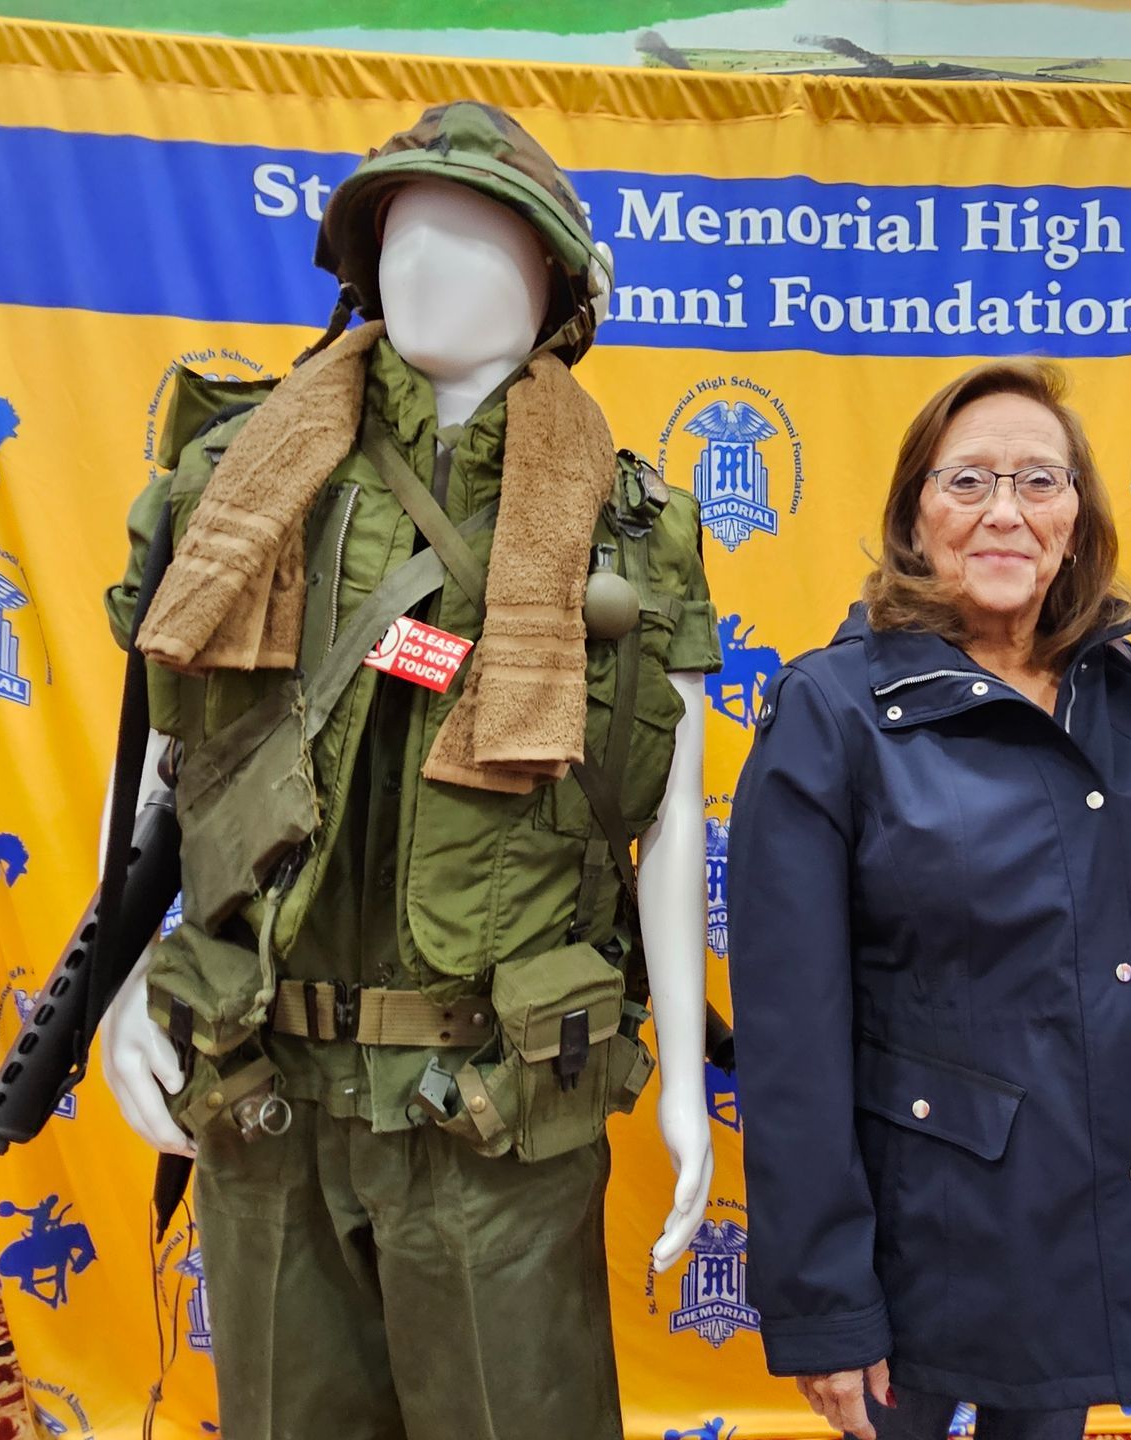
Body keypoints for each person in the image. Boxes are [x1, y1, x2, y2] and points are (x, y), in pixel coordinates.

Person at [97, 103, 719, 1439]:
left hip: (492, 1106)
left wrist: (680, 1083)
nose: (435, 263)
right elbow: (169, 773)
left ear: (556, 283)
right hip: (265, 1081)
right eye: (405, 232)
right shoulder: (235, 483)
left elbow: (671, 812)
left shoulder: (631, 523)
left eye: (487, 234)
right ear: (358, 264)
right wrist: (121, 992)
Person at [728, 360, 1131, 1440]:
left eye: (1040, 481)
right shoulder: (829, 710)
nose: (1006, 512)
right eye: (969, 480)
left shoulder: (1127, 697)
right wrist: (825, 1301)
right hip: (913, 1251)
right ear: (915, 515)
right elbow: (792, 1041)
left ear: (1076, 520)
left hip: (1083, 1228)